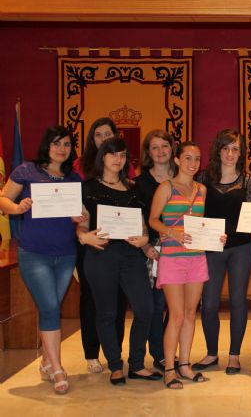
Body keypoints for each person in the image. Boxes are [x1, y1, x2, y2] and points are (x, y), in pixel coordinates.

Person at [0, 126, 82, 394]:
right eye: (57, 143)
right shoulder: (27, 170)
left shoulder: (73, 178)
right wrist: (18, 207)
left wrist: (80, 217)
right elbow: (3, 199)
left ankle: (47, 361)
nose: (62, 149)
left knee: (52, 307)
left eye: (67, 144)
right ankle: (57, 369)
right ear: (47, 145)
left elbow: (78, 215)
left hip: (66, 253)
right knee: (49, 307)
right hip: (34, 254)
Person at [76, 137, 159, 385]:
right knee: (107, 313)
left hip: (131, 256)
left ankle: (136, 364)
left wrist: (144, 241)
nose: (117, 159)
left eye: (122, 155)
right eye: (112, 154)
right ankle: (114, 365)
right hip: (100, 254)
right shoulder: (88, 187)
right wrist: (83, 237)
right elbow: (81, 222)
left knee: (146, 308)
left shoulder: (134, 188)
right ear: (103, 157)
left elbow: (142, 225)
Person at [149, 141, 216, 389]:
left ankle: (185, 365)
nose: (192, 164)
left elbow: (200, 224)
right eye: (187, 158)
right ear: (177, 160)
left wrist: (214, 237)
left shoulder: (202, 190)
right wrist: (171, 232)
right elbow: (153, 220)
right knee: (175, 316)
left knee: (190, 313)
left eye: (197, 159)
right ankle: (169, 368)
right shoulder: (166, 188)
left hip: (197, 257)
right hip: (172, 258)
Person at [193, 129, 251, 375]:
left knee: (238, 300)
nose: (230, 153)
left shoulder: (248, 181)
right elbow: (195, 213)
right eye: (226, 148)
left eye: (235, 149)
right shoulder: (202, 178)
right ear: (218, 150)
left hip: (241, 247)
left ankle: (234, 355)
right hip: (211, 248)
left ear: (241, 153)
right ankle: (211, 354)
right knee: (208, 303)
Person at [73, 117, 127, 374]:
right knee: (91, 299)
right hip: (89, 243)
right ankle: (92, 353)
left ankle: (114, 352)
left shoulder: (125, 172)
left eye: (108, 134)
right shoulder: (78, 169)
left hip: (119, 247)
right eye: (98, 135)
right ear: (91, 139)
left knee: (117, 299)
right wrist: (81, 228)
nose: (104, 139)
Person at [134, 129, 176, 371]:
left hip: (181, 250)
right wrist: (147, 246)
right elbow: (139, 218)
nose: (161, 152)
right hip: (153, 252)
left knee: (177, 306)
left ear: (172, 149)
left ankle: (169, 350)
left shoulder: (184, 178)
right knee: (157, 304)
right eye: (155, 147)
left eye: (165, 146)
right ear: (148, 152)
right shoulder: (140, 184)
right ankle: (159, 354)